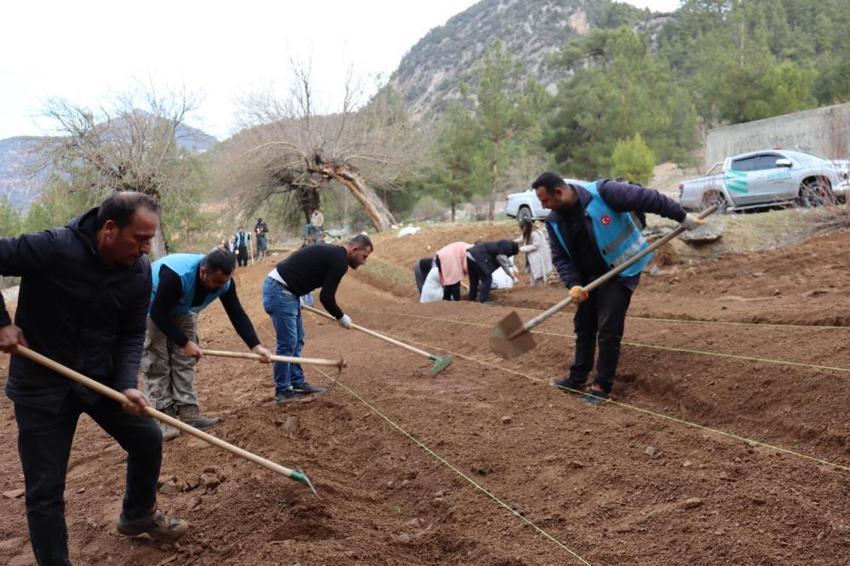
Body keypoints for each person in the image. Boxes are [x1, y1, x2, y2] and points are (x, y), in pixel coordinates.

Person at [0, 192, 189, 565]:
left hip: (98, 377)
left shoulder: (139, 271)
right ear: (109, 229)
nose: (146, 247)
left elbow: (133, 333)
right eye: (140, 238)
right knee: (46, 489)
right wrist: (2, 323)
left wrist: (127, 384)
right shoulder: (54, 248)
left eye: (150, 239)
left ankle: (137, 515)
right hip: (42, 384)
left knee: (148, 438)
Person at [532, 172, 703, 404]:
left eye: (545, 200)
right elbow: (560, 257)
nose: (543, 206)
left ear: (559, 192)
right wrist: (573, 284)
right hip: (586, 280)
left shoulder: (604, 192)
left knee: (608, 328)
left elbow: (649, 199)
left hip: (621, 270)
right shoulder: (553, 220)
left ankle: (601, 386)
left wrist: (682, 217)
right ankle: (577, 378)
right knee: (584, 326)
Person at [143, 249, 272, 440]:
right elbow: (159, 314)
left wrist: (256, 346)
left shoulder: (224, 283)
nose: (221, 286)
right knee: (158, 362)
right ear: (203, 272)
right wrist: (184, 342)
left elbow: (237, 314)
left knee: (185, 361)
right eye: (217, 282)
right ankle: (164, 420)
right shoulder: (176, 275)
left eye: (225, 282)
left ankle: (189, 414)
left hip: (183, 307)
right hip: (152, 306)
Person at [262, 234, 372, 403]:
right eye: (364, 256)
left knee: (297, 340)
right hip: (280, 290)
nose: (364, 261)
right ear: (354, 249)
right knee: (287, 343)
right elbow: (326, 297)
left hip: (287, 291)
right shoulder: (340, 261)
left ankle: (297, 383)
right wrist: (341, 317)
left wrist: (298, 292)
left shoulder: (335, 254)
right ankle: (283, 390)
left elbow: (301, 264)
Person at [518, 219, 553, 287]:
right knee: (532, 271)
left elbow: (535, 245)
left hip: (538, 255)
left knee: (538, 272)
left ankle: (540, 287)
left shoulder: (535, 233)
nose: (522, 229)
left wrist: (521, 248)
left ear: (527, 226)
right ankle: (534, 286)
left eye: (523, 227)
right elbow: (522, 239)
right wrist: (512, 242)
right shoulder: (527, 233)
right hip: (533, 256)